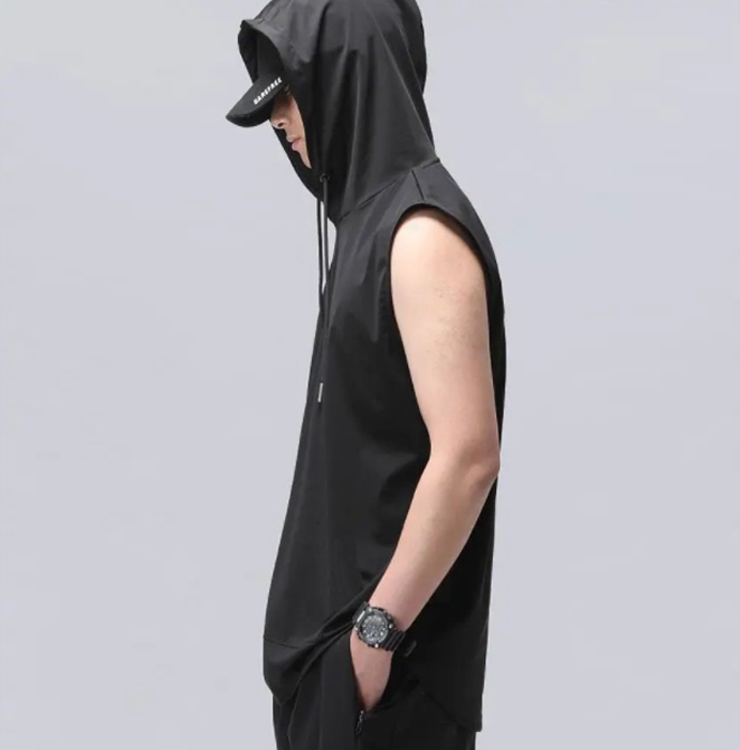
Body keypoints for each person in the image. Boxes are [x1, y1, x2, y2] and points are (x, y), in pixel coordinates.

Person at [226, 0, 507, 748]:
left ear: (347, 75)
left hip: (384, 684)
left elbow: (469, 454)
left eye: (289, 94)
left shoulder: (420, 234)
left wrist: (375, 636)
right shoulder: (366, 230)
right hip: (334, 678)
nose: (279, 119)